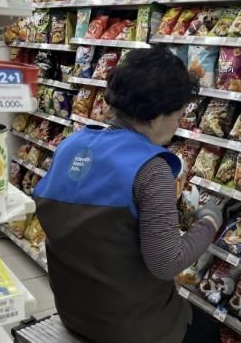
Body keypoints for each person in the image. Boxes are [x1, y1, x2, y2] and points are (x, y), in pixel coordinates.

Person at [33, 46, 222, 343]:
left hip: (74, 313)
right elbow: (166, 263)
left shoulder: (71, 145)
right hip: (130, 328)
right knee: (207, 330)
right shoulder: (151, 169)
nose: (177, 126)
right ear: (156, 116)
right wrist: (210, 222)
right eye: (178, 116)